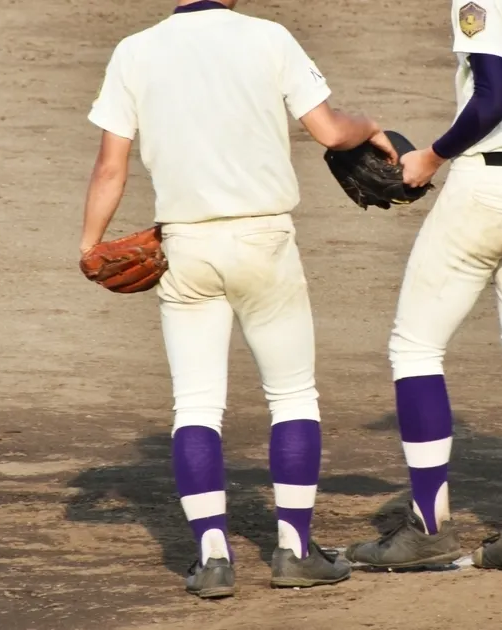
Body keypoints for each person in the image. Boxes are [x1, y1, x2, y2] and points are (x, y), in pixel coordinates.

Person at [79, 0, 398, 598]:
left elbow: (109, 167)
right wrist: (370, 125)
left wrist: (90, 244)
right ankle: (295, 551)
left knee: (196, 406)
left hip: (186, 247)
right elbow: (331, 132)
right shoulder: (268, 38)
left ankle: (213, 559)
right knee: (292, 396)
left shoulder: (134, 51)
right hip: (264, 241)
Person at [344, 0, 502, 574]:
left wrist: (432, 157)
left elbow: (494, 97)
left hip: (489, 188)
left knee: (415, 348)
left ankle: (428, 529)